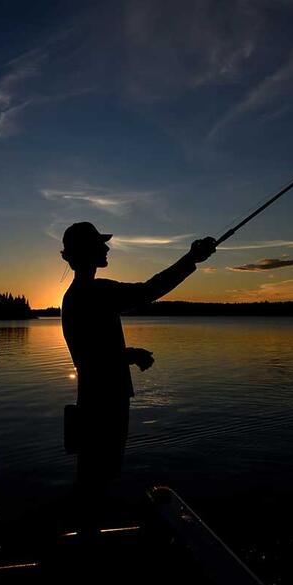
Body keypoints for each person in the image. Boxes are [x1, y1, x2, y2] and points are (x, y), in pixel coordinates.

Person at [60, 221, 215, 516]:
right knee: (96, 482)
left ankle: (85, 537)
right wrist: (191, 259)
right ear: (87, 252)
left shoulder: (76, 295)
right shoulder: (94, 292)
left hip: (93, 400)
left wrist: (129, 354)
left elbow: (91, 352)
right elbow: (149, 291)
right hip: (105, 403)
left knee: (92, 479)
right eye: (99, 244)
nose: (106, 248)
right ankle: (86, 544)